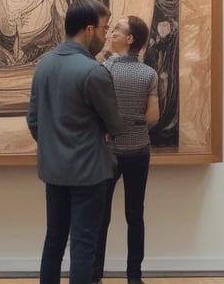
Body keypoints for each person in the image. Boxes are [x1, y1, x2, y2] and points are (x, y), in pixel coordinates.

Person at [26, 0, 126, 284]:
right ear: (89, 29)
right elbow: (115, 124)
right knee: (83, 246)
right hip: (88, 172)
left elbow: (33, 120)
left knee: (54, 241)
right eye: (105, 28)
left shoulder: (44, 66)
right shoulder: (93, 71)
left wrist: (52, 146)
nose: (106, 35)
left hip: (54, 171)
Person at [92, 16, 160, 284]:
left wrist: (113, 121)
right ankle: (134, 277)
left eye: (116, 30)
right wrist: (133, 117)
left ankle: (95, 275)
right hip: (139, 149)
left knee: (100, 216)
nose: (110, 33)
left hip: (108, 150)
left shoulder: (102, 70)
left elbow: (96, 113)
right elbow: (153, 116)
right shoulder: (149, 74)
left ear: (130, 39)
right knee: (135, 215)